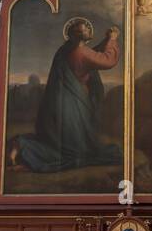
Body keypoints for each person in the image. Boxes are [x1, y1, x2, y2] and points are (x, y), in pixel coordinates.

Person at [10, 18, 121, 171]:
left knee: (67, 145)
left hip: (62, 103)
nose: (89, 29)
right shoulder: (82, 52)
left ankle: (21, 146)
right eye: (85, 29)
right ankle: (26, 149)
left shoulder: (67, 49)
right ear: (79, 35)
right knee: (75, 154)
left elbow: (93, 52)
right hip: (74, 104)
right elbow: (108, 60)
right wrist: (113, 40)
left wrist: (106, 40)